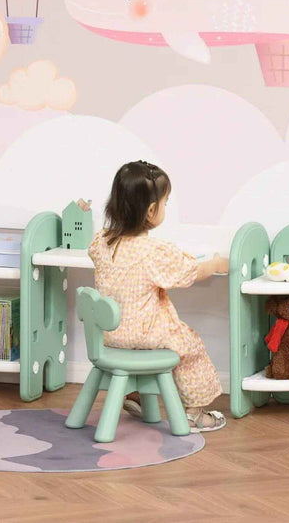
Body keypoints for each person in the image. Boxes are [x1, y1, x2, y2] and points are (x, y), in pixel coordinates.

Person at [86, 161, 228, 432]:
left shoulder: (100, 242)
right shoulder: (153, 252)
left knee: (160, 339)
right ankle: (194, 414)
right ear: (152, 211)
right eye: (165, 202)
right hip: (143, 334)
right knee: (189, 345)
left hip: (108, 335)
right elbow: (190, 271)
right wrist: (216, 265)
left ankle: (135, 396)